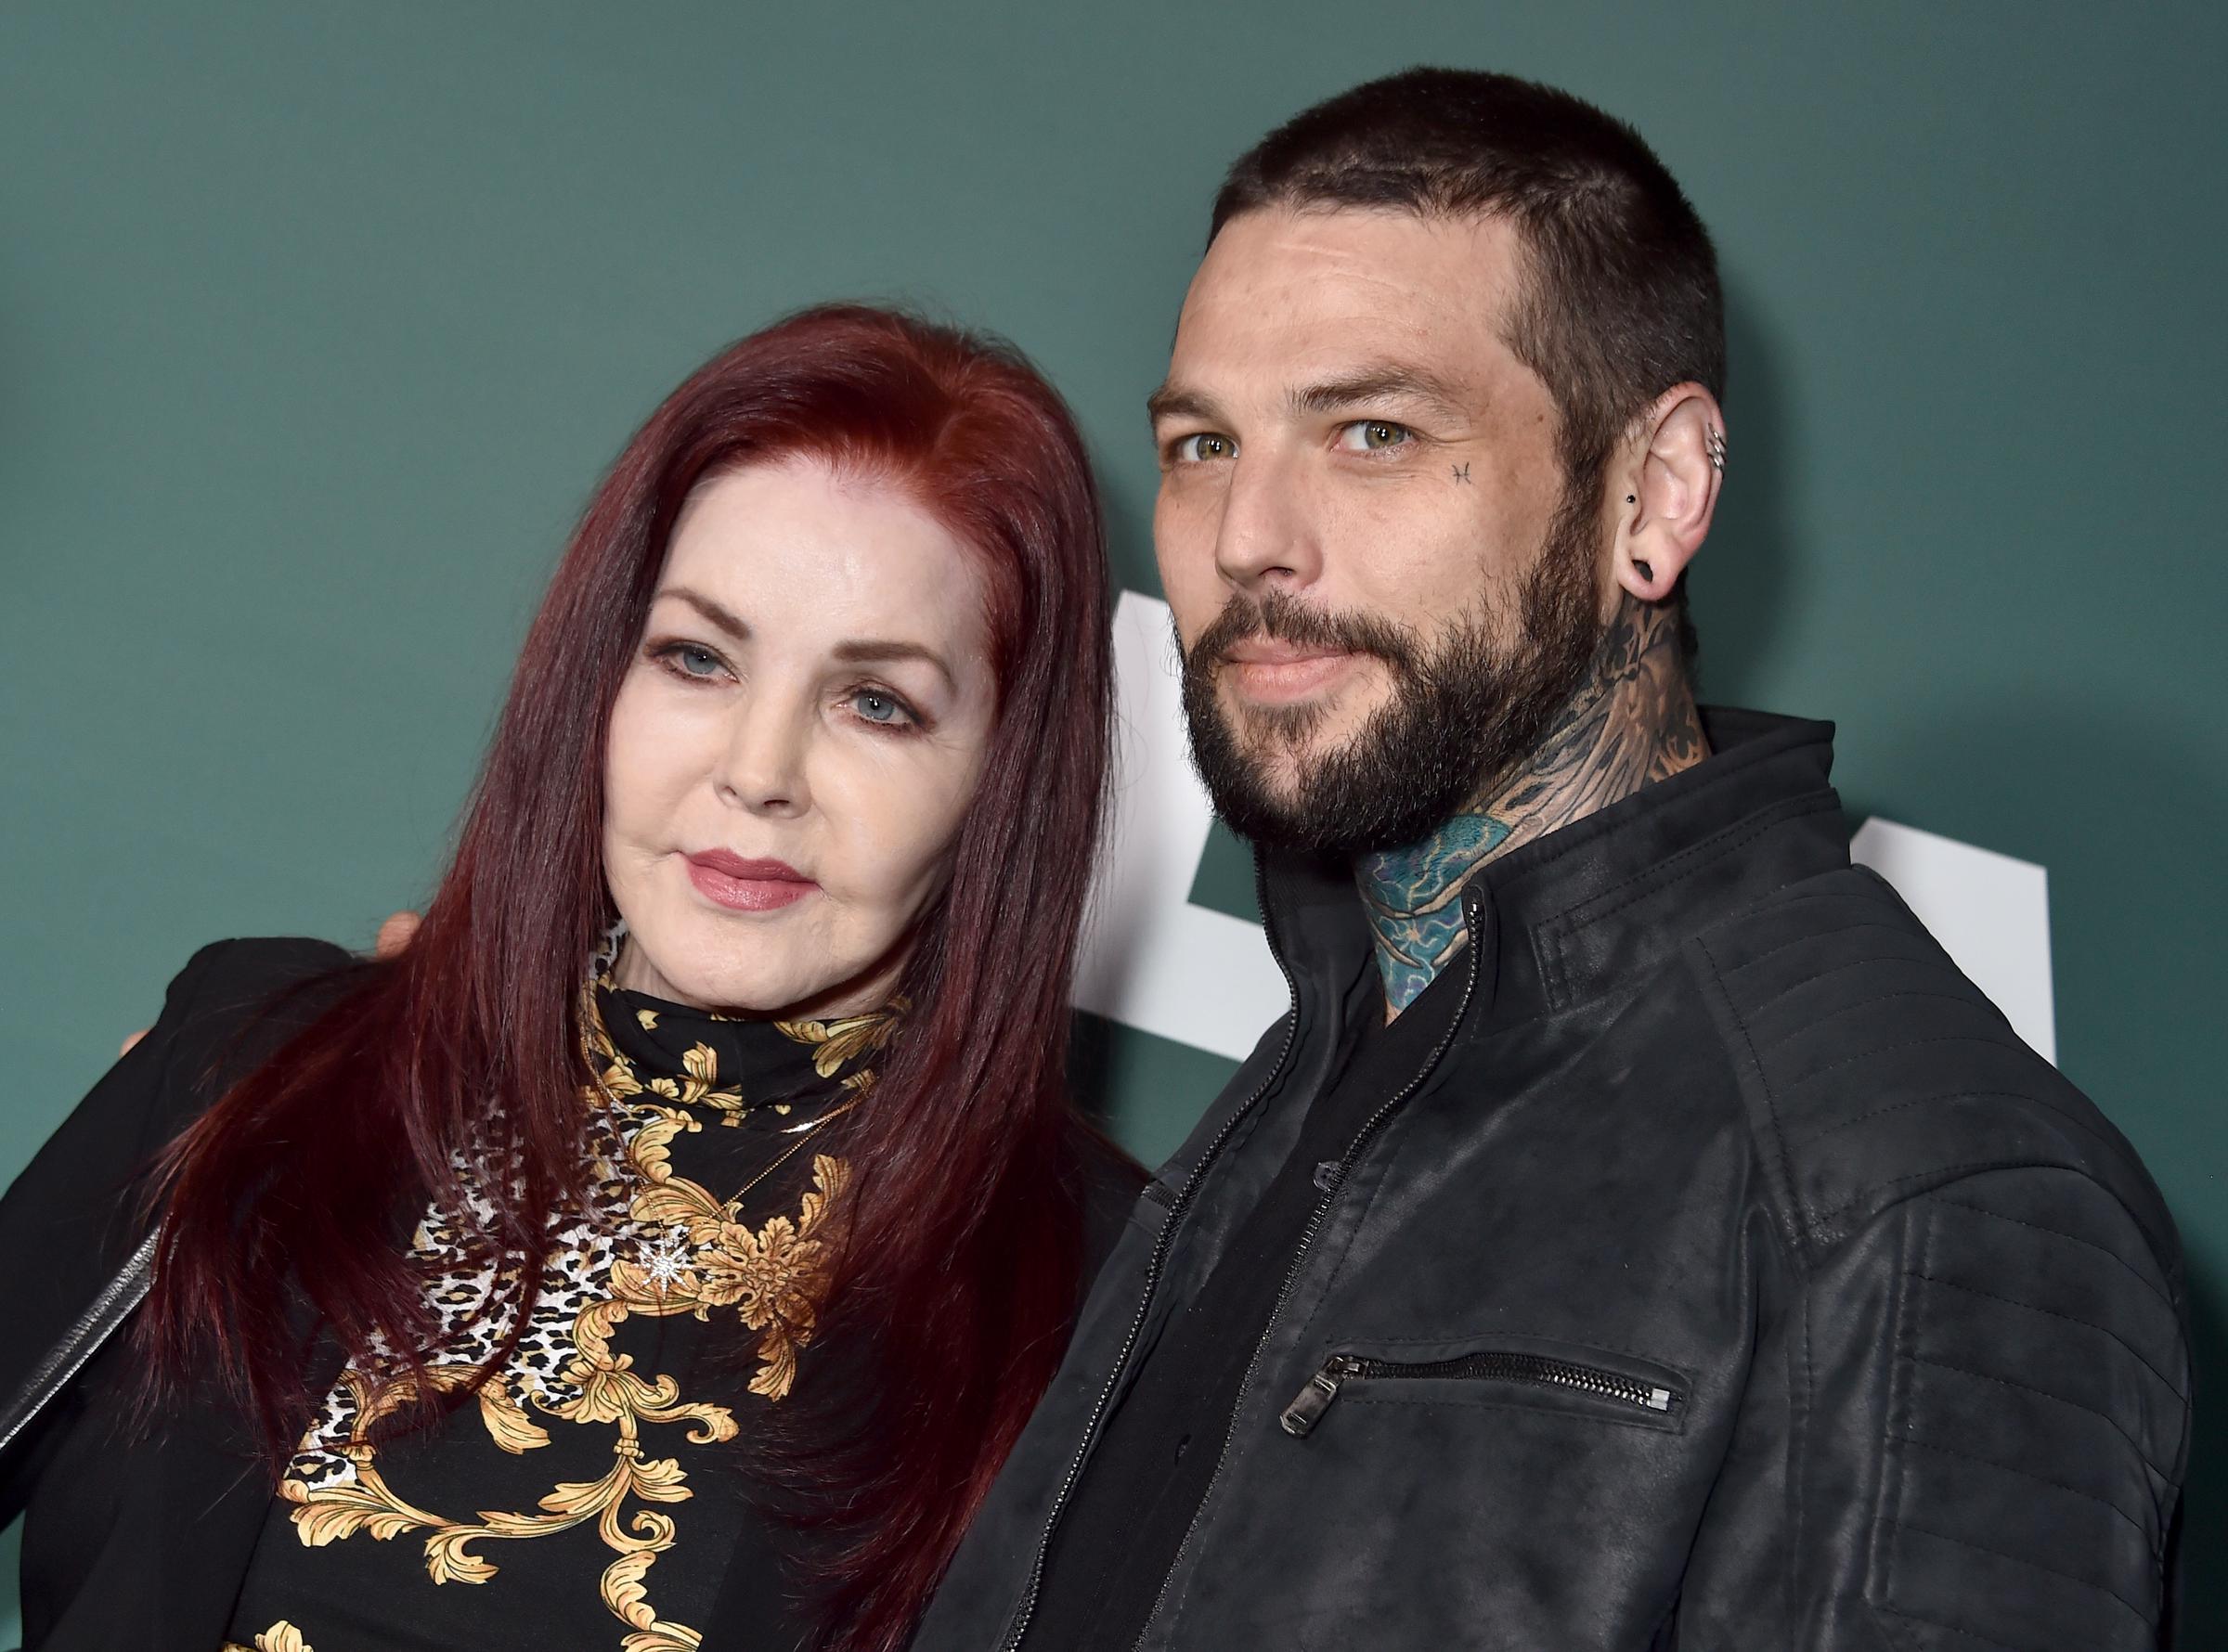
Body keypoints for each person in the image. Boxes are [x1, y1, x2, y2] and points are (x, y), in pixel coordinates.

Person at [912, 69, 2190, 1651]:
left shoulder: (1922, 1187)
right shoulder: (1315, 1073)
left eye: (1372, 431)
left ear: (1652, 497)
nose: (1249, 535)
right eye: (1201, 443)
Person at [0, 303, 1141, 1652]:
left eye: (877, 703)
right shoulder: (253, 1059)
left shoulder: (1101, 1293)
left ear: (999, 782)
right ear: (598, 681)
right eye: (697, 659)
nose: (759, 770)